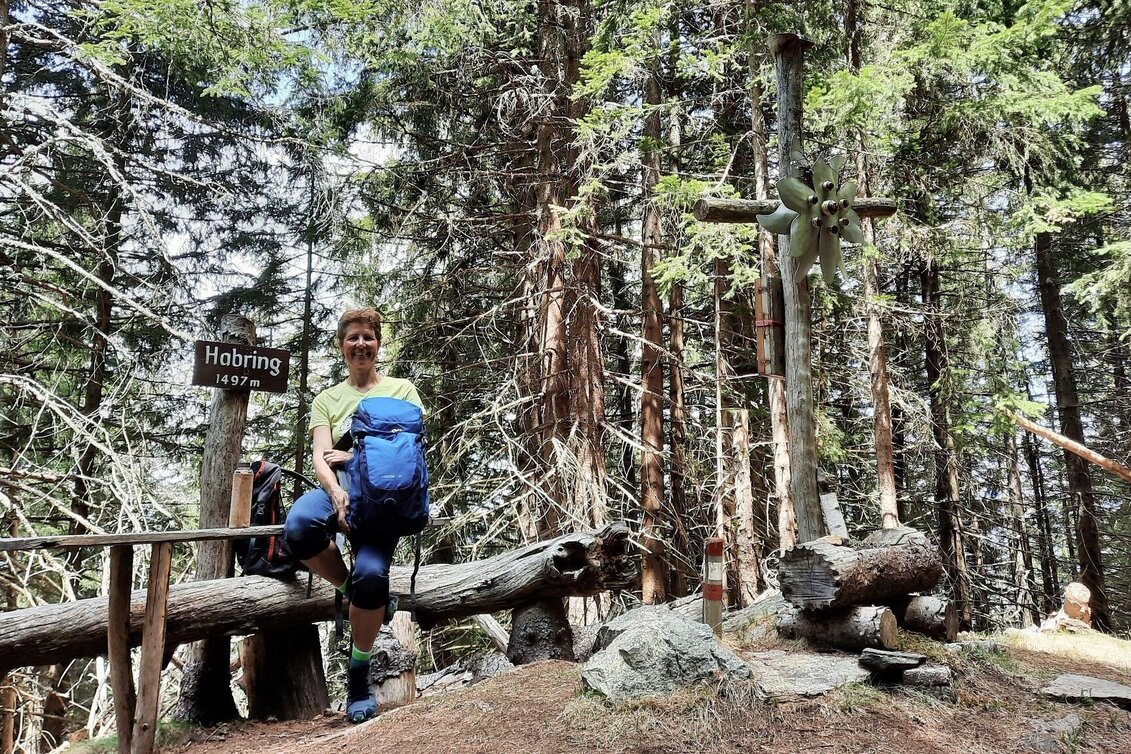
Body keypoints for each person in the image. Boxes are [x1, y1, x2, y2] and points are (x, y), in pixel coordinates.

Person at [283, 308, 424, 723]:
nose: (361, 344)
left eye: (368, 337)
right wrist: (337, 491)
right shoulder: (328, 399)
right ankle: (353, 592)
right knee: (300, 527)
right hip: (341, 489)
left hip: (385, 499)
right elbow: (320, 457)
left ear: (378, 343)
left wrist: (356, 454)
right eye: (352, 338)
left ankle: (358, 676)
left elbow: (411, 454)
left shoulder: (403, 391)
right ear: (342, 345)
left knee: (372, 576)